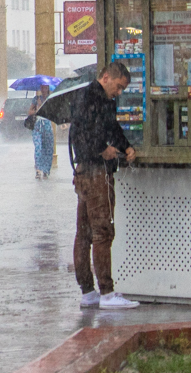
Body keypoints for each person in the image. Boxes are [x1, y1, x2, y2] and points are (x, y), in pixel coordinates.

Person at [69, 62, 139, 310]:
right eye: (118, 87)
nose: (119, 93)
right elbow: (87, 131)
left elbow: (110, 128)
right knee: (102, 232)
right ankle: (107, 293)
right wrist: (103, 149)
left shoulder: (88, 98)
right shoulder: (91, 97)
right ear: (107, 77)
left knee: (85, 233)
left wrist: (125, 145)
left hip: (83, 172)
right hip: (96, 173)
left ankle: (88, 292)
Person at [27, 94, 54, 180]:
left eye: (45, 87)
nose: (43, 89)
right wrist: (37, 110)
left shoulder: (51, 98)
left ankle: (46, 170)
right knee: (38, 147)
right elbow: (30, 112)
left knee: (48, 148)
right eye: (42, 87)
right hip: (37, 126)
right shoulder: (36, 99)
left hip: (47, 125)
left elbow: (54, 112)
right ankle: (38, 170)